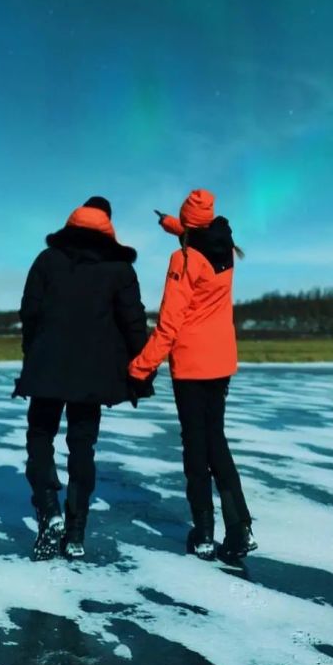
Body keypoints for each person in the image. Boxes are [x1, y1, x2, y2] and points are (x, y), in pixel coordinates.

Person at [12, 196, 151, 560]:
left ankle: (48, 508)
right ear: (108, 225)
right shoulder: (119, 269)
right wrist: (143, 368)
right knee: (82, 446)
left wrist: (33, 355)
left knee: (40, 435)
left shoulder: (47, 260)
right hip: (93, 375)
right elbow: (133, 322)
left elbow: (30, 311)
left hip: (48, 366)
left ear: (72, 222)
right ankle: (75, 533)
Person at [128, 188, 256, 562]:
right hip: (221, 362)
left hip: (192, 366)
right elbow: (199, 234)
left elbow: (168, 325)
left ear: (190, 224)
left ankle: (202, 532)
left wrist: (140, 367)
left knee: (196, 448)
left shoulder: (183, 259)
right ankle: (239, 526)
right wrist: (172, 224)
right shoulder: (225, 249)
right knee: (216, 440)